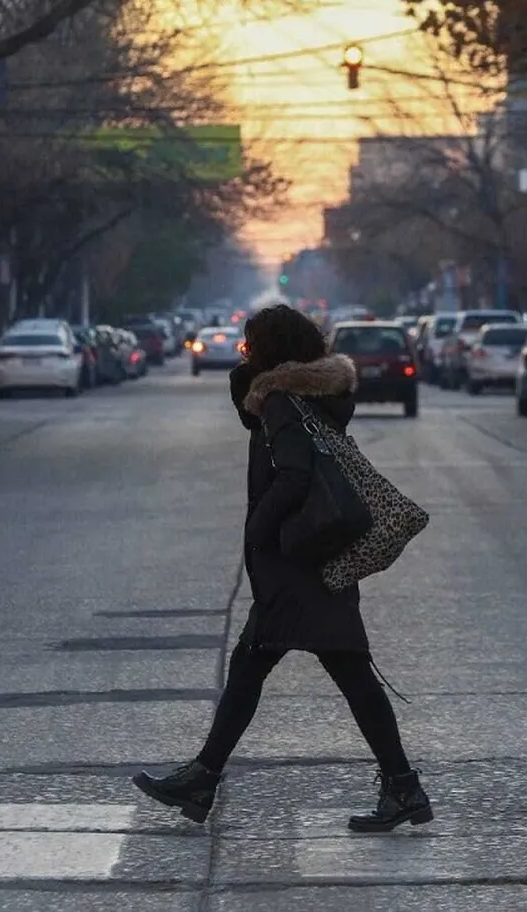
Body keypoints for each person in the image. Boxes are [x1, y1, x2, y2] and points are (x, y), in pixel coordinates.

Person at [132, 304, 431, 832]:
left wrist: (258, 531)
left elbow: (293, 476)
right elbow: (255, 418)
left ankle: (402, 787)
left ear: (271, 350)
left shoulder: (281, 402)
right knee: (271, 667)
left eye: (251, 346)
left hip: (297, 565)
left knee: (327, 671)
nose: (244, 353)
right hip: (312, 558)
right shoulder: (309, 396)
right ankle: (207, 776)